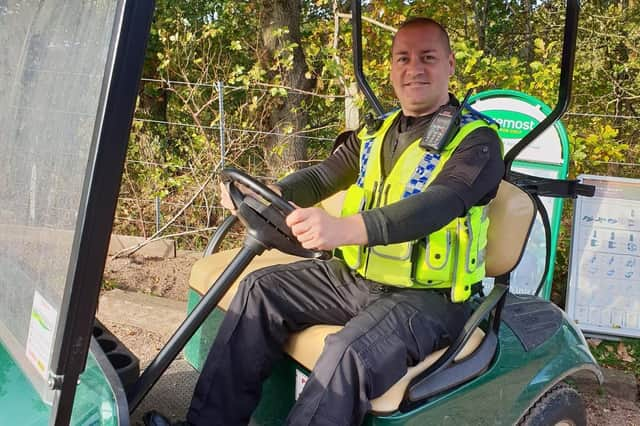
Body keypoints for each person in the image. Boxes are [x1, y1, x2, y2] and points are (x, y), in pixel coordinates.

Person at [145, 16, 504, 426]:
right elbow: (321, 177)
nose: (414, 68)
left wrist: (342, 229)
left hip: (431, 299)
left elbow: (441, 203)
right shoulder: (376, 133)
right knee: (260, 289)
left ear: (450, 65)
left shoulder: (478, 142)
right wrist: (274, 193)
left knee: (346, 352)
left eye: (428, 57)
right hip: (357, 278)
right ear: (390, 68)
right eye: (402, 58)